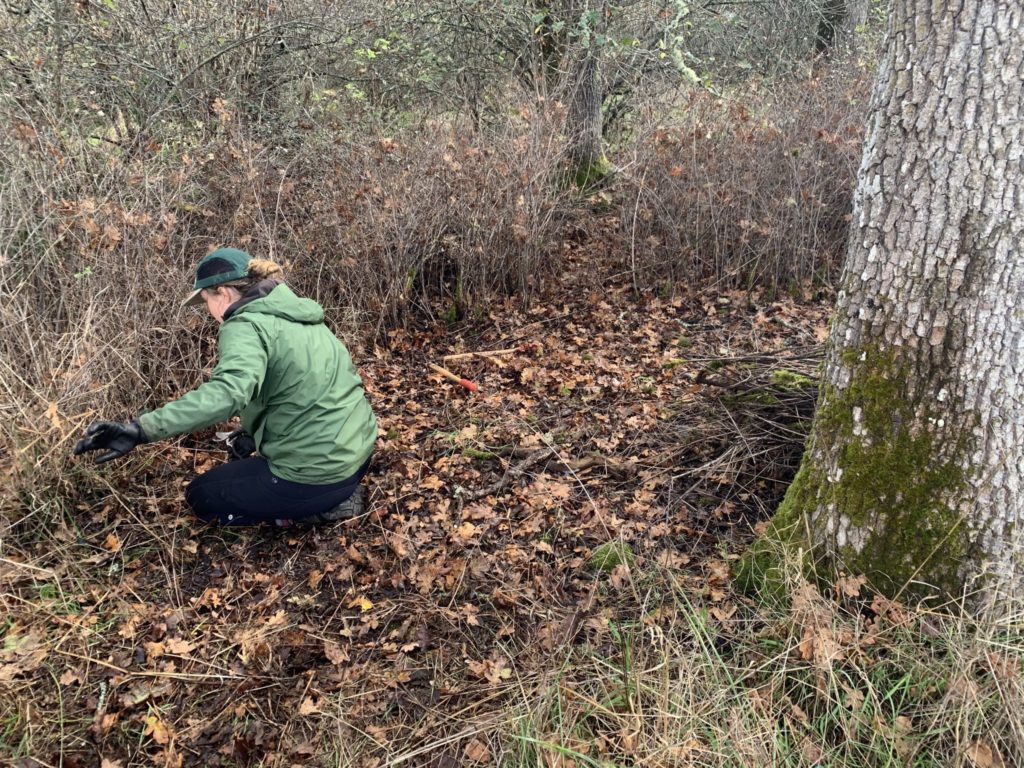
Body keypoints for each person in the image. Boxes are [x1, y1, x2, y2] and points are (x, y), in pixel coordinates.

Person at [74, 247, 377, 527]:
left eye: (206, 301)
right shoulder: (298, 312)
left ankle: (318, 509)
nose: (209, 312)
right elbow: (299, 388)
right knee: (242, 451)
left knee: (201, 495)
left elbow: (228, 393)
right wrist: (251, 433)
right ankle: (330, 493)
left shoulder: (243, 325)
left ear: (222, 293)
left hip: (317, 474)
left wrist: (141, 429)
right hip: (358, 453)